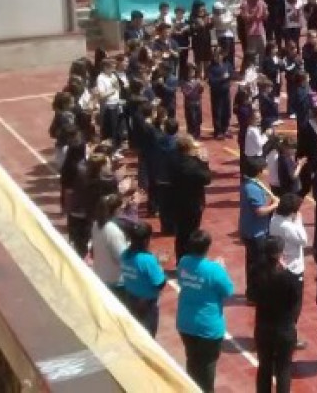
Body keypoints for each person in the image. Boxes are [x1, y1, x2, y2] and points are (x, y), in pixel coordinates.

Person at [176, 230, 234, 391]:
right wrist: (220, 268)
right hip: (208, 327)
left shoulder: (183, 262)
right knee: (207, 367)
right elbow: (228, 291)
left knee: (192, 361)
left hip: (185, 323)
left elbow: (182, 281)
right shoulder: (214, 270)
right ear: (207, 247)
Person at [255, 237, 302, 393]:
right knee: (283, 368)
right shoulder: (288, 278)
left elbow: (251, 294)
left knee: (264, 367)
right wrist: (287, 270)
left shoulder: (257, 272)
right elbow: (295, 299)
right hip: (284, 328)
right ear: (279, 254)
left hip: (263, 326)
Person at [240, 157, 279, 303]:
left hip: (251, 229)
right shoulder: (253, 188)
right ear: (259, 171)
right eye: (265, 168)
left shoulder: (253, 184)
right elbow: (260, 211)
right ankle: (254, 294)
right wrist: (275, 205)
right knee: (257, 264)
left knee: (253, 263)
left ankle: (253, 292)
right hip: (255, 232)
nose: (267, 171)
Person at [170, 134, 212, 263]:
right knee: (191, 233)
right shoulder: (192, 165)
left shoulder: (173, 159)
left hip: (176, 201)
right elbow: (206, 179)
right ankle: (190, 261)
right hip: (192, 204)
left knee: (180, 234)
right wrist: (204, 162)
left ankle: (180, 260)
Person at [119, 221, 165, 335]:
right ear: (146, 240)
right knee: (148, 334)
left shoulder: (125, 254)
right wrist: (159, 267)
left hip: (131, 297)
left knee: (135, 331)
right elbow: (160, 283)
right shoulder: (148, 260)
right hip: (147, 303)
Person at [91, 194, 129, 295]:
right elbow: (122, 256)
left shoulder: (96, 225)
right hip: (115, 282)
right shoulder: (113, 231)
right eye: (120, 208)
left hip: (100, 275)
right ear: (116, 210)